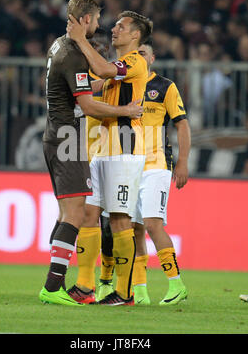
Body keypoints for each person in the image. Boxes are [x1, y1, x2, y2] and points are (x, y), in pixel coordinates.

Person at [39, 0, 143, 307]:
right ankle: (53, 285)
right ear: (86, 20)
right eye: (97, 19)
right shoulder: (74, 52)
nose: (101, 25)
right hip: (69, 138)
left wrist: (102, 88)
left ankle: (63, 279)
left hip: (58, 136)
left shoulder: (60, 45)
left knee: (67, 214)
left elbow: (84, 86)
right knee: (77, 214)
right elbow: (85, 104)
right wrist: (125, 110)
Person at [66, 10, 153, 306]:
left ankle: (125, 291)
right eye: (115, 25)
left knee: (119, 219)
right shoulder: (118, 68)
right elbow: (94, 85)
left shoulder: (134, 62)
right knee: (90, 214)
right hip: (102, 149)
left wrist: (81, 40)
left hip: (125, 149)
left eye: (122, 26)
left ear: (135, 36)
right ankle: (84, 286)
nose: (114, 30)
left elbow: (103, 71)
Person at [97, 41, 191, 306]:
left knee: (152, 223)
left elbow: (182, 124)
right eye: (135, 54)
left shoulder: (164, 87)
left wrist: (183, 162)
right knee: (134, 229)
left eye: (142, 53)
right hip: (129, 164)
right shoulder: (123, 86)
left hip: (156, 164)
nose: (138, 57)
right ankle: (140, 291)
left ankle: (176, 284)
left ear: (152, 58)